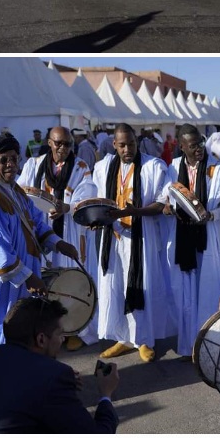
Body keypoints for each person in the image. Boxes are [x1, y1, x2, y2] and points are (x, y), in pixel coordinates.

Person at [0, 134, 78, 370]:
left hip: (17, 284)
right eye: (4, 160)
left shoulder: (14, 190)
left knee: (19, 343)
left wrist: (58, 243)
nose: (11, 164)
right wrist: (30, 277)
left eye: (14, 158)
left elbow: (36, 224)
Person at [0, 297, 119, 434]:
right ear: (41, 339)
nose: (62, 340)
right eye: (59, 334)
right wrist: (106, 395)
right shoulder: (53, 378)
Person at [93, 123, 168, 363]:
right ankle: (123, 338)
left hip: (141, 237)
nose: (127, 149)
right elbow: (96, 199)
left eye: (132, 144)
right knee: (115, 286)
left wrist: (138, 211)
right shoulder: (103, 167)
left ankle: (143, 339)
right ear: (114, 144)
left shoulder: (153, 166)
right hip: (113, 238)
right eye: (122, 145)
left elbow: (161, 203)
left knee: (141, 285)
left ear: (137, 142)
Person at [17, 126, 97, 349]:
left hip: (69, 229)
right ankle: (43, 329)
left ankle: (72, 329)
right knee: (42, 281)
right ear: (49, 143)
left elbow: (88, 192)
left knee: (70, 281)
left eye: (68, 144)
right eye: (58, 143)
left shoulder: (80, 166)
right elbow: (22, 190)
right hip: (41, 229)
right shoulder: (34, 164)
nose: (63, 148)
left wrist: (67, 207)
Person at [163, 124, 220, 355]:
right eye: (193, 146)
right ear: (181, 146)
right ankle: (189, 346)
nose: (199, 150)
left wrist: (212, 215)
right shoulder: (173, 168)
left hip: (209, 238)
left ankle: (210, 347)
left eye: (201, 143)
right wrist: (168, 208)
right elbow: (167, 197)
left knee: (209, 292)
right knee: (186, 293)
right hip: (183, 238)